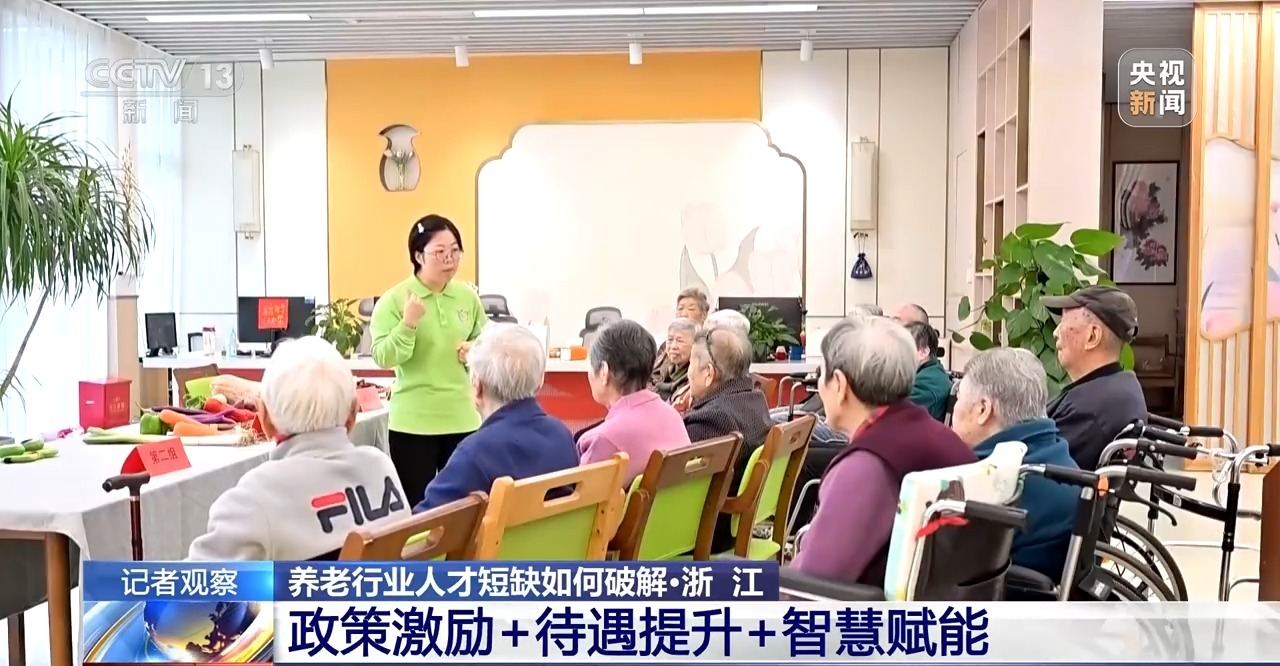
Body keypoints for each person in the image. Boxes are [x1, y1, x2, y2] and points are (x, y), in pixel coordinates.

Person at [789, 316, 976, 586]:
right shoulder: (942, 439)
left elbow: (806, 586)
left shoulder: (864, 467)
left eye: (821, 374)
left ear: (839, 384)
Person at [188, 337, 410, 561]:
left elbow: (195, 581)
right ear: (352, 414)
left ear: (265, 420)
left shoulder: (253, 501)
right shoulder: (380, 468)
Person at [370, 215, 487, 507]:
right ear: (418, 255)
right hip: (413, 423)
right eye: (440, 252)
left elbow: (486, 343)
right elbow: (383, 356)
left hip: (463, 418)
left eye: (455, 251)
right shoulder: (394, 300)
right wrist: (408, 324)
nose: (449, 259)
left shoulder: (467, 297)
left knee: (464, 507)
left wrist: (474, 351)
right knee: (417, 507)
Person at [416, 324, 577, 511]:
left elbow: (424, 523)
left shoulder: (475, 454)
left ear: (478, 387)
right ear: (540, 382)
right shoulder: (562, 436)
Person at [951, 347, 1077, 581]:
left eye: (957, 398)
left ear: (983, 409)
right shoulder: (1057, 455)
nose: (954, 409)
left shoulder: (988, 482)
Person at [1043, 286, 1146, 470]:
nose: (1055, 333)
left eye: (1064, 324)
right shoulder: (1118, 389)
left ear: (1092, 336)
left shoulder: (1088, 411)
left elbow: (1036, 468)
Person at [580, 319, 692, 483]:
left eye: (591, 365)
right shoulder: (673, 417)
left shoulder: (603, 439)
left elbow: (585, 497)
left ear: (604, 372)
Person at [683, 326, 773, 465]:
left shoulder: (707, 422)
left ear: (708, 373)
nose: (688, 373)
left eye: (690, 363)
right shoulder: (757, 400)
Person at [654, 287, 712, 375]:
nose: (684, 314)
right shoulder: (666, 346)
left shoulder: (709, 345)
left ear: (703, 315)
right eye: (680, 308)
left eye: (691, 309)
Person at [904, 321, 952, 421]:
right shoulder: (931, 373)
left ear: (923, 352)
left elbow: (894, 411)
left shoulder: (927, 384)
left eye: (903, 348)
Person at [654, 317, 698, 410]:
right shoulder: (660, 364)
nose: (673, 346)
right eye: (670, 340)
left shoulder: (695, 379)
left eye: (680, 341)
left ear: (694, 345)